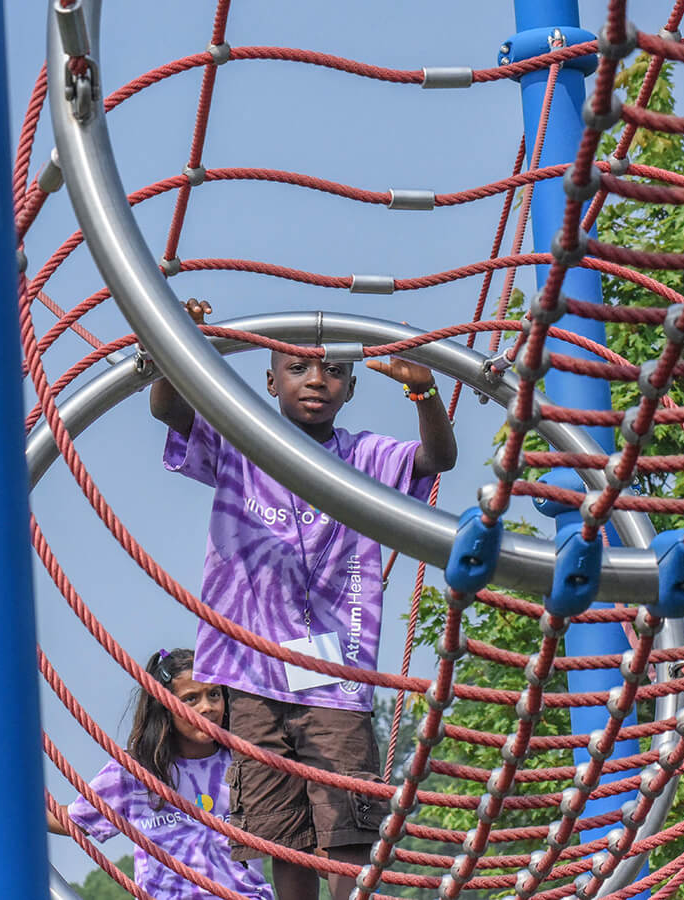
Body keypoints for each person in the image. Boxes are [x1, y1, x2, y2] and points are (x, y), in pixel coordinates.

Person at [150, 299, 457, 900]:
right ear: (270, 380)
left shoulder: (365, 456)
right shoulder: (241, 437)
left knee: (345, 813)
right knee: (276, 824)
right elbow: (170, 409)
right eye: (297, 369)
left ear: (350, 387)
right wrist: (174, 344)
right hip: (250, 665)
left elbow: (437, 459)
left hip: (333, 667)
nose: (316, 381)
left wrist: (426, 395)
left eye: (334, 372)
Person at [48, 648, 273, 900]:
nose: (207, 707)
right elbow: (72, 821)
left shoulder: (245, 763)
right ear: (164, 706)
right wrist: (6, 810)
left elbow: (290, 832)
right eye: (191, 699)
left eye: (214, 695)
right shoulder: (135, 772)